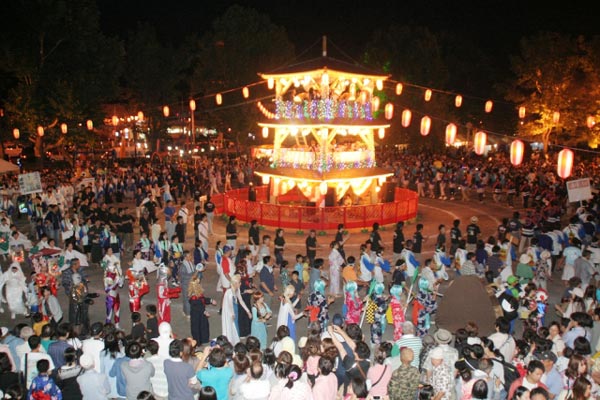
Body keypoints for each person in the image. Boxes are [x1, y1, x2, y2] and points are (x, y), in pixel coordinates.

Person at [222, 275, 251, 345]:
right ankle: (231, 341)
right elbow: (229, 305)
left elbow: (241, 301)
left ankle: (236, 340)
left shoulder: (237, 290)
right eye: (239, 282)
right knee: (232, 326)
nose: (241, 283)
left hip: (235, 309)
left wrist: (248, 311)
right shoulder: (229, 293)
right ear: (235, 283)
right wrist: (232, 314)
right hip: (230, 312)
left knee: (236, 326)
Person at [188, 275, 216, 345]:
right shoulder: (193, 297)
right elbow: (196, 307)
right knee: (196, 328)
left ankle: (204, 339)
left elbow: (203, 300)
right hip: (196, 315)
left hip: (202, 314)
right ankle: (198, 342)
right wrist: (204, 312)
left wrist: (210, 300)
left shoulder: (198, 294)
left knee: (204, 326)